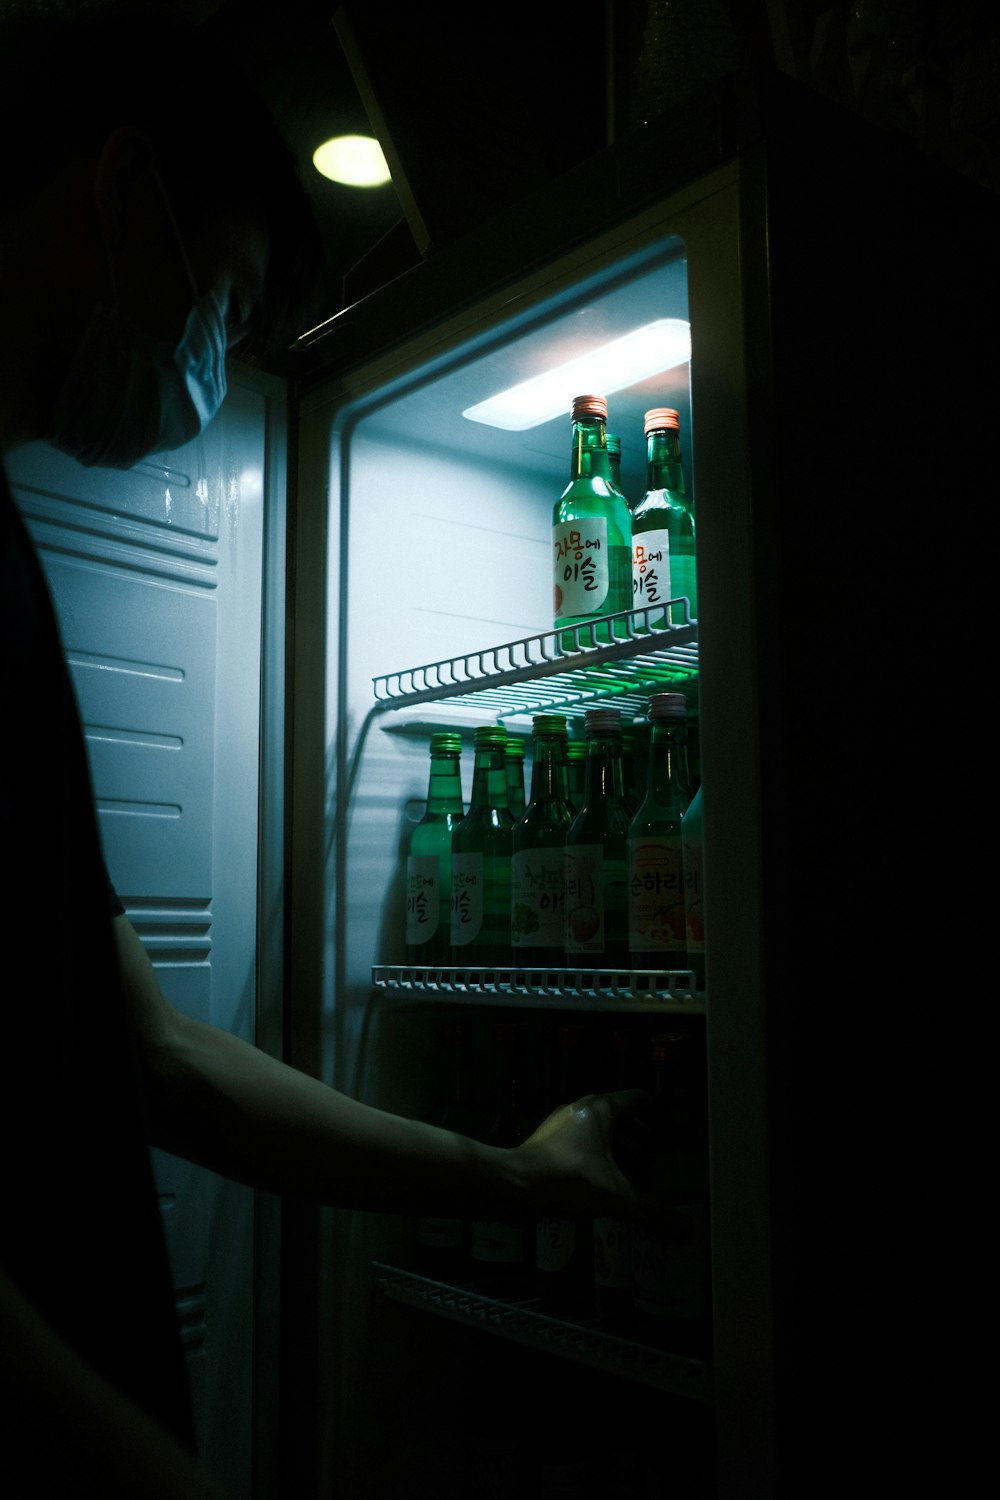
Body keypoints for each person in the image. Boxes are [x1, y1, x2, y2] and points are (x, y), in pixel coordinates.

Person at [0, 5, 650, 1493]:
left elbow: (155, 1058)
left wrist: (516, 1172)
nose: (212, 375)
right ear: (125, 199)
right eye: (226, 312)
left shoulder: (11, 577)